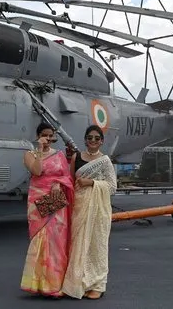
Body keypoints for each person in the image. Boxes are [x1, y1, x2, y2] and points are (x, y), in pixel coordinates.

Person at [61, 124, 117, 300]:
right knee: (77, 244)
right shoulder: (76, 157)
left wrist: (92, 183)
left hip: (98, 210)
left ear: (102, 141)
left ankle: (97, 285)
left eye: (97, 138)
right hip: (79, 206)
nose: (93, 140)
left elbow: (112, 187)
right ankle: (78, 283)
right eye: (90, 137)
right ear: (85, 139)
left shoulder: (105, 161)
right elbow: (70, 181)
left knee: (96, 245)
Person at [20, 122, 75, 298]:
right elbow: (37, 171)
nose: (49, 139)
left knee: (56, 241)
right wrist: (40, 149)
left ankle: (54, 284)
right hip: (38, 201)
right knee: (41, 240)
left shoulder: (59, 155)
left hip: (56, 199)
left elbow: (67, 177)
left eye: (51, 136)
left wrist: (59, 184)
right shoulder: (29, 155)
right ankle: (37, 283)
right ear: (38, 136)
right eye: (45, 135)